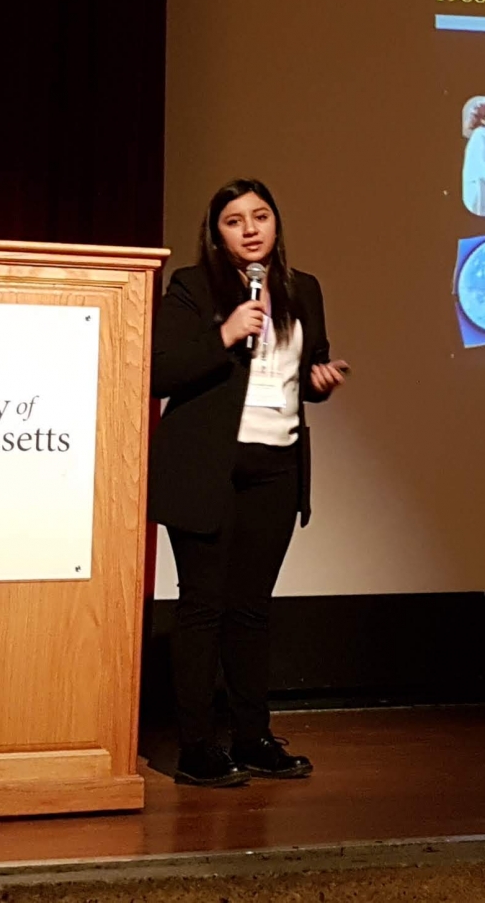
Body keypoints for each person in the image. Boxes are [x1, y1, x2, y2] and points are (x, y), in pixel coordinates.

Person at [149, 179, 349, 788]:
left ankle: (253, 736)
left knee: (252, 610)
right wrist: (227, 333)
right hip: (209, 466)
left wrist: (321, 378)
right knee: (203, 607)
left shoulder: (302, 289)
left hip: (277, 465)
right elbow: (160, 371)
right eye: (235, 221)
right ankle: (197, 747)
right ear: (217, 234)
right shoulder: (190, 287)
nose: (251, 228)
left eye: (261, 216)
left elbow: (310, 360)